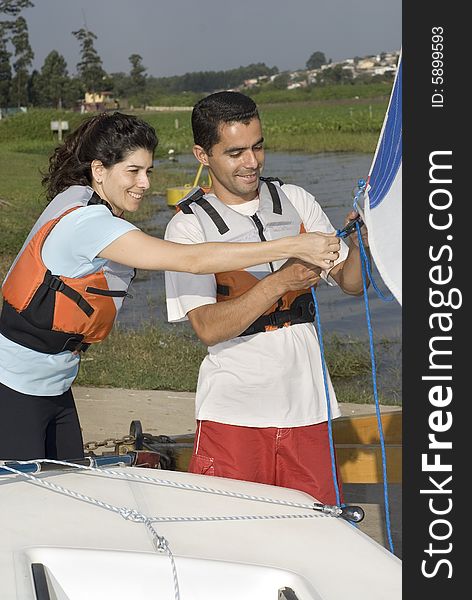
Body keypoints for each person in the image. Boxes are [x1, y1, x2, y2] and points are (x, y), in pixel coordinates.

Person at [0, 111, 341, 462]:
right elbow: (192, 259)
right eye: (132, 172)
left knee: (64, 489)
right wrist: (293, 245)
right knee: (27, 502)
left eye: (148, 171)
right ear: (98, 170)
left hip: (53, 384)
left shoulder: (77, 196)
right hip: (14, 387)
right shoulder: (88, 225)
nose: (145, 183)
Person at [164, 92, 369, 504]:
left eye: (258, 146)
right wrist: (281, 281)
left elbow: (351, 283)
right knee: (231, 540)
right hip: (234, 414)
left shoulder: (297, 201)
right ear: (202, 154)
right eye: (235, 152)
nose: (252, 162)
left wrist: (362, 239)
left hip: (309, 408)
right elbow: (208, 327)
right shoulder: (187, 228)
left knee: (317, 533)